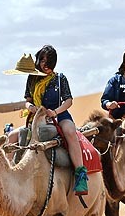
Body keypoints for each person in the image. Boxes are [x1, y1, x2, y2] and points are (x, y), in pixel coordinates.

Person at [22, 45, 88, 195]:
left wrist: (55, 112)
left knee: (70, 132)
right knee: (14, 136)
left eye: (49, 61)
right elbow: (27, 100)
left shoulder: (60, 78)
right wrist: (30, 106)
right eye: (43, 60)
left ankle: (80, 175)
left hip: (59, 115)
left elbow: (68, 100)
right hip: (37, 117)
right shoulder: (32, 78)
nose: (45, 64)